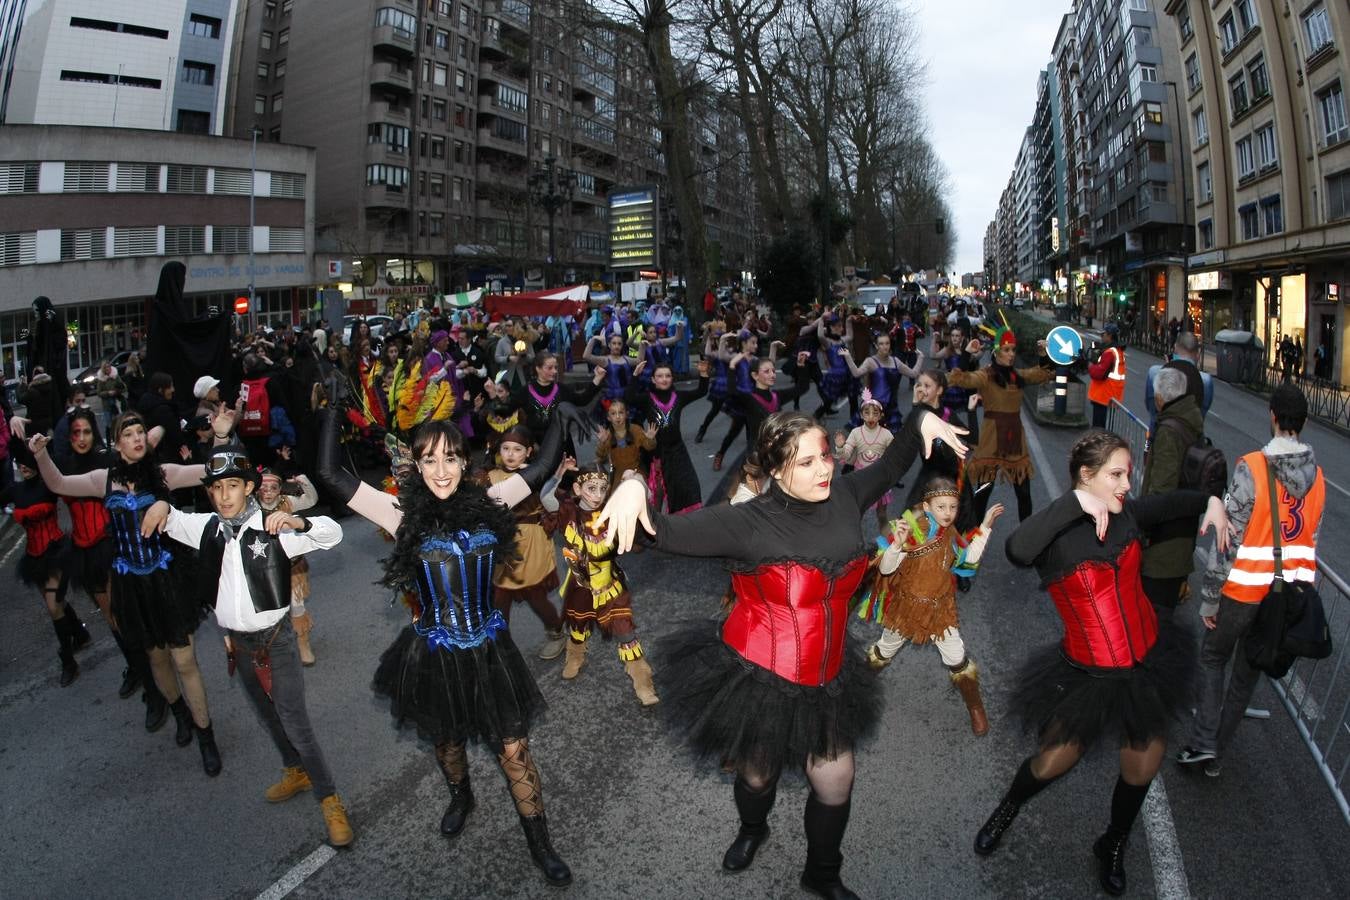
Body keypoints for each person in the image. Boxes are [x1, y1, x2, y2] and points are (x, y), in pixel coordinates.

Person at [599, 406, 968, 899]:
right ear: (775, 469)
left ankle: (822, 873)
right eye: (806, 463)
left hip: (830, 674)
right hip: (762, 677)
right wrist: (630, 483)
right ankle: (753, 830)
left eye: (824, 457)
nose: (823, 470)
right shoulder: (744, 522)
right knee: (756, 775)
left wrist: (924, 417)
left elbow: (897, 458)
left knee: (836, 781)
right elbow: (655, 531)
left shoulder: (846, 494)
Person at [317, 404, 582, 887]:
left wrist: (558, 414)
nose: (442, 471)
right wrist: (336, 411)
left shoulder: (492, 498)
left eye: (451, 459)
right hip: (436, 649)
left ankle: (541, 845)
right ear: (416, 467)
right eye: (430, 461)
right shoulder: (399, 512)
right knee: (447, 739)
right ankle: (461, 795)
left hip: (489, 647)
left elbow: (541, 466)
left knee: (514, 750)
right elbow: (329, 474)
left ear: (465, 462)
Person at [973, 431, 1227, 896]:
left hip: (1148, 662)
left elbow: (1172, 502)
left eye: (1128, 473)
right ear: (1086, 476)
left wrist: (1212, 500)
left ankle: (1112, 842)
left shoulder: (1127, 514)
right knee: (1051, 763)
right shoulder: (1055, 534)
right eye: (1116, 474)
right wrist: (1074, 503)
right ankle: (1009, 806)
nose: (1127, 483)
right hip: (1088, 673)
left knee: (1142, 765)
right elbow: (1016, 549)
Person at [160, 444, 353, 847]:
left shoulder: (273, 527)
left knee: (296, 724)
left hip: (277, 640)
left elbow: (332, 534)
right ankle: (294, 771)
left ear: (248, 487)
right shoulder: (208, 528)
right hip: (239, 645)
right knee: (267, 716)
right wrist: (158, 508)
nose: (224, 495)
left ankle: (330, 799)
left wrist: (298, 524)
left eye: (233, 486)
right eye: (216, 489)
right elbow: (173, 520)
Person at [31, 409, 236, 776]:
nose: (138, 438)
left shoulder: (163, 474)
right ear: (117, 442)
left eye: (141, 431)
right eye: (130, 434)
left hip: (167, 578)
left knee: (185, 660)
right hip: (130, 583)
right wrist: (40, 454)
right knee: (157, 660)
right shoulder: (102, 480)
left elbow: (211, 470)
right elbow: (59, 484)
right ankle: (180, 716)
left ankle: (207, 737)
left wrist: (220, 438)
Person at [1177, 384, 1323, 777]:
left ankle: (1204, 742)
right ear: (1304, 422)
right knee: (1246, 675)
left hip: (1242, 589)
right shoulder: (1319, 478)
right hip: (1286, 597)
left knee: (1212, 658)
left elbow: (1228, 538)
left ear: (1272, 415)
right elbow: (1311, 540)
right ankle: (1216, 753)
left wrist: (1210, 598)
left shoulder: (1253, 466)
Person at [858, 478, 1003, 736]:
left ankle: (975, 707)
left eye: (953, 507)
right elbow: (886, 568)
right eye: (941, 507)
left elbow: (967, 560)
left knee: (957, 657)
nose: (948, 513)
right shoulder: (911, 530)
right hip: (906, 609)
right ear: (926, 506)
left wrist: (985, 527)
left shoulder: (951, 533)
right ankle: (857, 686)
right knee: (884, 651)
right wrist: (896, 545)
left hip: (940, 610)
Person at [553, 465, 658, 706]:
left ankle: (643, 684)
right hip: (581, 588)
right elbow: (547, 497)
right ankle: (575, 656)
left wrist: (634, 481)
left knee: (626, 633)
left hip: (611, 588)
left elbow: (646, 498)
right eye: (591, 488)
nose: (598, 494)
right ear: (578, 489)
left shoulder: (612, 511)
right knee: (578, 626)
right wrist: (559, 474)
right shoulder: (568, 513)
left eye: (603, 488)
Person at [3, 439, 87, 686]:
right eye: (20, 463)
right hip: (33, 557)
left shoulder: (48, 486)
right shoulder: (15, 490)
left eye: (27, 462)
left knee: (53, 607)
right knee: (56, 603)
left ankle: (68, 661)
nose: (23, 467)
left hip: (55, 552)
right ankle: (80, 633)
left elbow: (70, 482)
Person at [481, 425, 568, 662]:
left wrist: (555, 478)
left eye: (517, 449)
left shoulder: (537, 474)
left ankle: (557, 632)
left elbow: (557, 504)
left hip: (530, 545)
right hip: (502, 546)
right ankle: (500, 646)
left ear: (528, 451)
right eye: (506, 448)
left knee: (536, 598)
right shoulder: (490, 476)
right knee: (499, 599)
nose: (510, 454)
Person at [947, 327, 1052, 522]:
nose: (1011, 354)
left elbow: (1042, 374)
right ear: (996, 352)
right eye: (1006, 350)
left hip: (1015, 440)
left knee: (1024, 494)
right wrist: (967, 353)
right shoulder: (985, 375)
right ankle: (974, 537)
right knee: (983, 494)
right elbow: (960, 379)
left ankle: (1024, 537)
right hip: (992, 440)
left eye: (1013, 349)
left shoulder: (1017, 375)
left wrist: (1043, 355)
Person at [1140, 368, 1207, 614]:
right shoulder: (1191, 420)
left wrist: (1140, 526)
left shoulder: (1169, 430)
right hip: (1182, 535)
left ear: (1160, 398)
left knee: (1151, 615)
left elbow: (1161, 491)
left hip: (1162, 546)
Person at [624, 360, 709, 514]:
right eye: (660, 376)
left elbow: (701, 392)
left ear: (672, 378)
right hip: (656, 452)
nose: (664, 379)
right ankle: (654, 525)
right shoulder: (646, 398)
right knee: (657, 493)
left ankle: (679, 520)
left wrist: (703, 374)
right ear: (653, 379)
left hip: (677, 450)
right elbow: (628, 398)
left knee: (687, 485)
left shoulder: (679, 396)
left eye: (668, 376)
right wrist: (635, 375)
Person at [256, 466, 321, 666]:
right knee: (265, 610)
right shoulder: (249, 506)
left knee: (296, 605)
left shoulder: (287, 502)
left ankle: (303, 644)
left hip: (290, 567)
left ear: (280, 489)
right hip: (261, 568)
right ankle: (272, 648)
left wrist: (304, 481)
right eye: (263, 488)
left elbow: (311, 500)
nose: (268, 492)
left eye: (273, 487)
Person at [833, 392, 894, 530]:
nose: (871, 417)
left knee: (882, 514)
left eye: (875, 413)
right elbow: (846, 455)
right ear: (861, 415)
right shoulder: (856, 433)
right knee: (857, 513)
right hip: (860, 479)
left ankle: (887, 545)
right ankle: (855, 546)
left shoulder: (886, 434)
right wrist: (840, 446)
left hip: (880, 479)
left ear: (880, 415)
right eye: (867, 413)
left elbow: (893, 456)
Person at [1143, 330, 1212, 432]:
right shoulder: (1206, 380)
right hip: (1191, 441)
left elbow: (1151, 408)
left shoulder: (1155, 373)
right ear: (1198, 354)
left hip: (1157, 436)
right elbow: (1201, 413)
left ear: (1175, 347)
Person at [594, 399, 657, 494]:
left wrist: (651, 439)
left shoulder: (635, 429)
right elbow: (601, 457)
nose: (618, 416)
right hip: (619, 476)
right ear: (608, 418)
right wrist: (602, 443)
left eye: (621, 412)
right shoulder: (607, 435)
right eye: (613, 414)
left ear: (626, 414)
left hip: (636, 472)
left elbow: (649, 447)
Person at [1087, 323, 1127, 428]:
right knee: (1104, 425)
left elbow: (1098, 373)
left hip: (1104, 393)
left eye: (1103, 335)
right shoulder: (1117, 350)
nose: (1101, 337)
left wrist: (1090, 366)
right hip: (1111, 393)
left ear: (1109, 336)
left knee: (1098, 426)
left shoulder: (1110, 353)